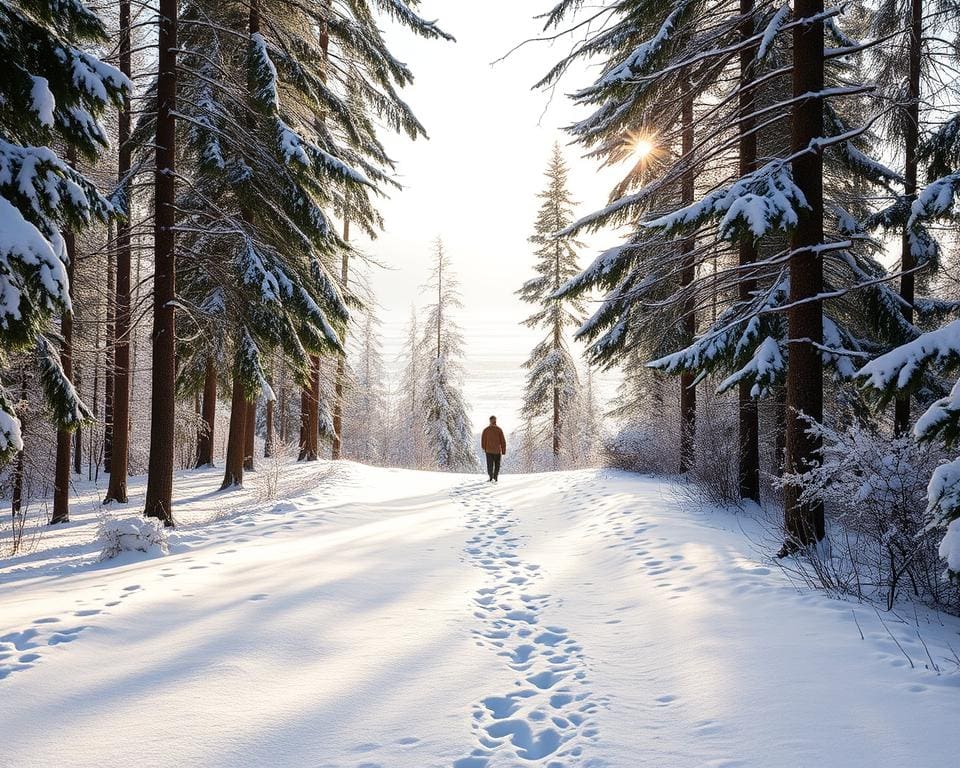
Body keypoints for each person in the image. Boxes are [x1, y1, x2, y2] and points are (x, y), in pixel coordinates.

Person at [481, 415, 506, 482]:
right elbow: (503, 441)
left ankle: (491, 477)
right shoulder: (499, 430)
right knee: (497, 465)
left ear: (490, 421)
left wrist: (484, 448)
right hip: (497, 451)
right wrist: (503, 450)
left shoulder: (486, 430)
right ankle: (495, 477)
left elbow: (483, 440)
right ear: (495, 421)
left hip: (489, 451)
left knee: (490, 465)